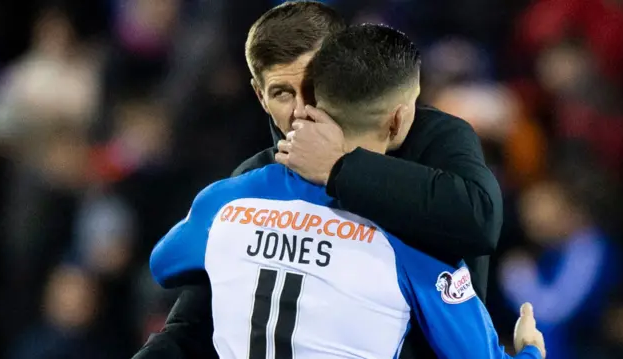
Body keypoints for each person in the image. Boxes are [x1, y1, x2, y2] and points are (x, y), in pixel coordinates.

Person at [148, 24, 544, 359]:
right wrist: (530, 351)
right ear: (397, 119)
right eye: (281, 92)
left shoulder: (228, 198)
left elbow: (165, 264)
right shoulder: (411, 241)